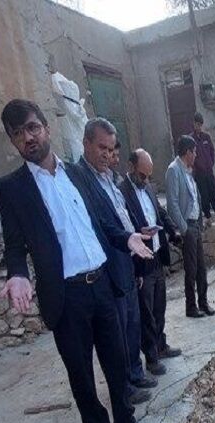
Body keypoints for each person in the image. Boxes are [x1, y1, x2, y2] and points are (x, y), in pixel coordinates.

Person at [0, 99, 155, 423]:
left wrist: (126, 238)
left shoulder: (77, 174)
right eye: (18, 134)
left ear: (46, 128)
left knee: (116, 360)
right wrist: (17, 273)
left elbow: (102, 220)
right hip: (66, 296)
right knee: (81, 373)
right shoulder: (12, 188)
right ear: (13, 141)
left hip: (101, 282)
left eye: (32, 127)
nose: (27, 137)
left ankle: (126, 422)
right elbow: (14, 243)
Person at [73, 118, 156, 405]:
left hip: (128, 258)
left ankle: (134, 372)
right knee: (117, 332)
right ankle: (124, 386)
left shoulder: (110, 179)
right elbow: (101, 226)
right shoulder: (80, 179)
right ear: (86, 144)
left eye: (111, 149)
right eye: (101, 148)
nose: (107, 154)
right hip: (109, 266)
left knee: (132, 323)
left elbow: (121, 217)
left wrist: (136, 233)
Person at [120, 148, 183, 372]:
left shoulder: (148, 188)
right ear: (130, 168)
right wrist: (139, 231)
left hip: (156, 255)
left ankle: (161, 344)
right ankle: (151, 356)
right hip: (140, 260)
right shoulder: (121, 193)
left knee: (159, 307)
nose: (145, 180)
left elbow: (160, 213)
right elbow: (122, 228)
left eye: (148, 176)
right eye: (142, 175)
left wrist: (173, 230)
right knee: (146, 312)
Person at [165, 135, 215, 319]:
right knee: (191, 269)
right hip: (188, 226)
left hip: (196, 225)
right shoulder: (174, 170)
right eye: (194, 152)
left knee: (201, 268)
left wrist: (200, 222)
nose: (196, 155)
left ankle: (203, 302)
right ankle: (191, 306)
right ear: (187, 152)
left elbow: (195, 199)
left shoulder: (188, 171)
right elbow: (172, 204)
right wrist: (184, 228)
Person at [188, 112, 215, 226]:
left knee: (214, 193)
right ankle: (208, 218)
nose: (198, 127)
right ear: (194, 124)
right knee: (204, 195)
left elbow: (212, 151)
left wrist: (210, 164)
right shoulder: (191, 139)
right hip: (199, 173)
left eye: (200, 124)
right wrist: (196, 167)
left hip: (209, 172)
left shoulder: (206, 137)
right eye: (197, 124)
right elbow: (191, 156)